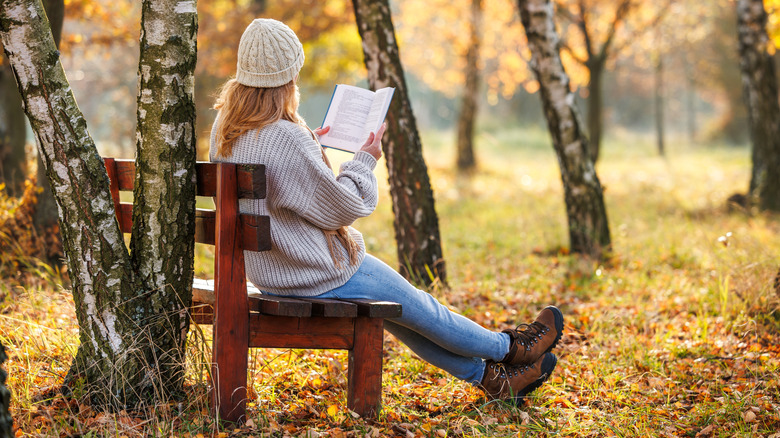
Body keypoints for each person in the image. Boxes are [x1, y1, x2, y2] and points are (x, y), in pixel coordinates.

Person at [209, 18, 564, 404]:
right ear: (288, 78)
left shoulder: (226, 128)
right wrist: (364, 159)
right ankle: (511, 348)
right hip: (316, 271)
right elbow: (343, 209)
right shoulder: (286, 137)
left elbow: (280, 178)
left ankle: (492, 379)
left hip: (272, 272)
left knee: (401, 313)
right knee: (423, 308)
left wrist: (312, 143)